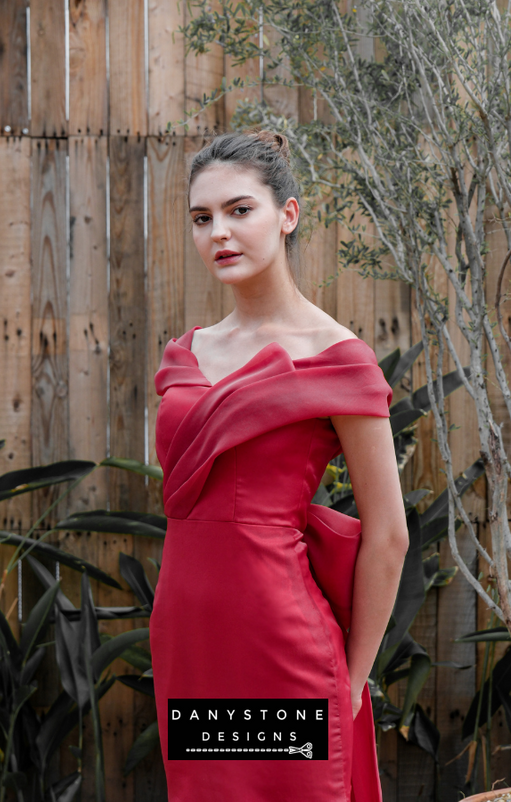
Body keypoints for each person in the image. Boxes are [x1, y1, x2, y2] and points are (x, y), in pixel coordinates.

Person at [149, 130, 409, 802]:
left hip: (281, 644)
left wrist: (350, 682)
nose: (219, 234)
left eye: (240, 210)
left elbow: (387, 533)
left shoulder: (337, 358)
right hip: (190, 640)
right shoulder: (187, 352)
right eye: (202, 219)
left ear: (286, 214)